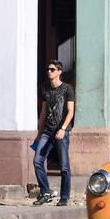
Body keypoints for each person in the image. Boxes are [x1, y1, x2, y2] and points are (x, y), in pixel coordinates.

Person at [33, 60, 75, 205]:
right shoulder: (44, 88)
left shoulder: (67, 89)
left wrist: (63, 129)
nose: (49, 72)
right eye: (48, 69)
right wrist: (39, 133)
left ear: (59, 72)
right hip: (47, 131)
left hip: (61, 131)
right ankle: (45, 192)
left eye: (52, 69)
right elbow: (44, 112)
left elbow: (71, 112)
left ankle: (64, 197)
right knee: (37, 161)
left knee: (64, 166)